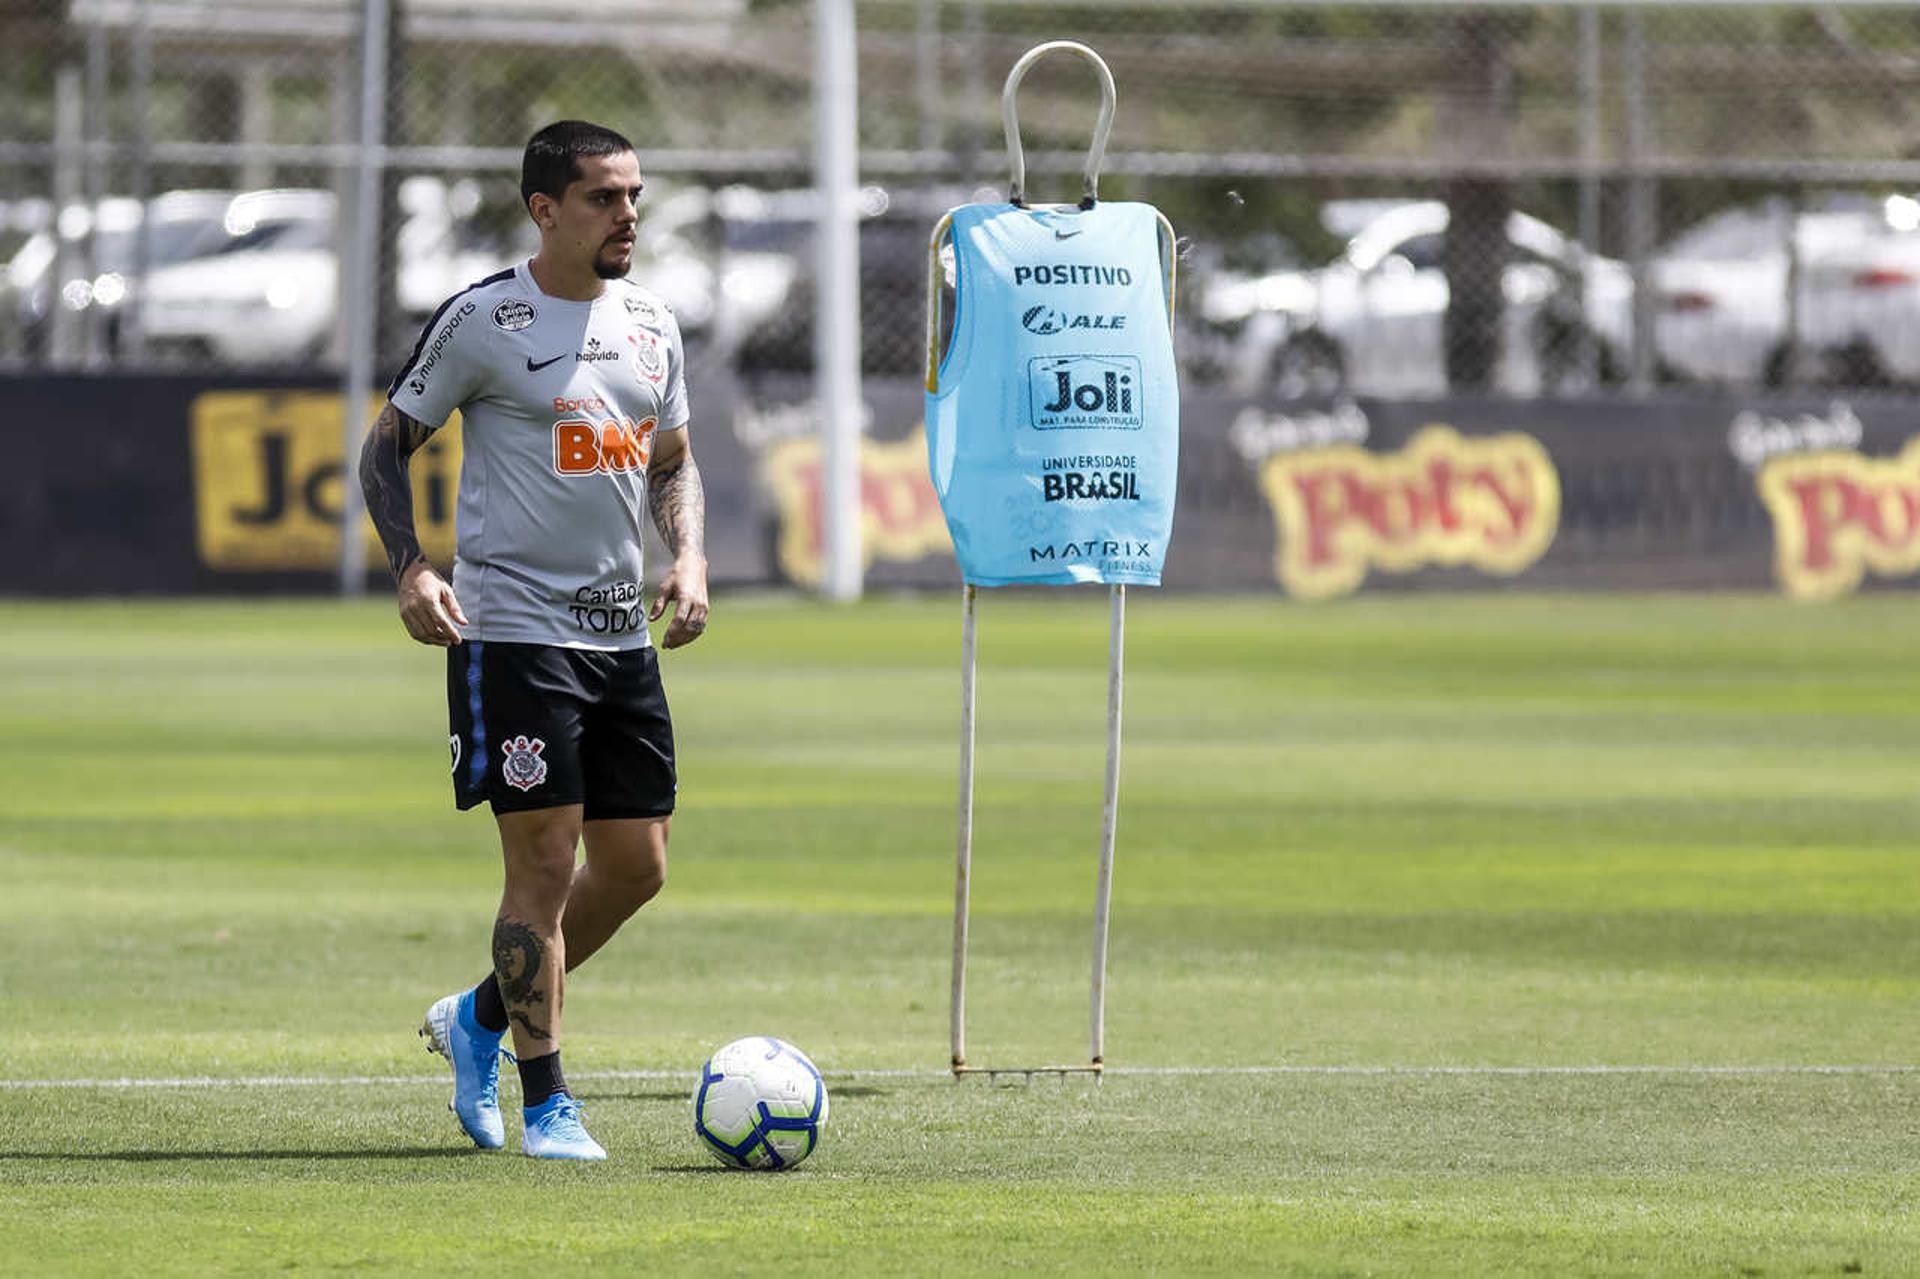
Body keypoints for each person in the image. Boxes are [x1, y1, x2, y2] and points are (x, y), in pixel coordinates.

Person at [358, 120, 708, 1161]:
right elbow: (387, 450)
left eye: (635, 195)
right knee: (544, 865)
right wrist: (411, 568)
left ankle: (476, 1020)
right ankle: (550, 1099)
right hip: (512, 635)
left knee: (637, 868)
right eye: (604, 197)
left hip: (620, 642)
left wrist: (685, 557)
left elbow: (673, 461)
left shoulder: (653, 323)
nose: (628, 214)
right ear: (545, 210)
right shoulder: (483, 320)